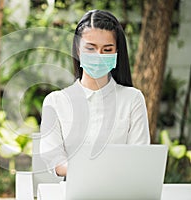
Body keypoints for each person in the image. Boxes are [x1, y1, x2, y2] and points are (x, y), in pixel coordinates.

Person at [39, 10, 150, 178]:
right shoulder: (55, 102)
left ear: (117, 52)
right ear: (78, 49)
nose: (99, 56)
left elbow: (139, 157)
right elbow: (55, 161)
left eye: (107, 49)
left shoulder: (132, 99)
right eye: (91, 48)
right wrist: (94, 172)